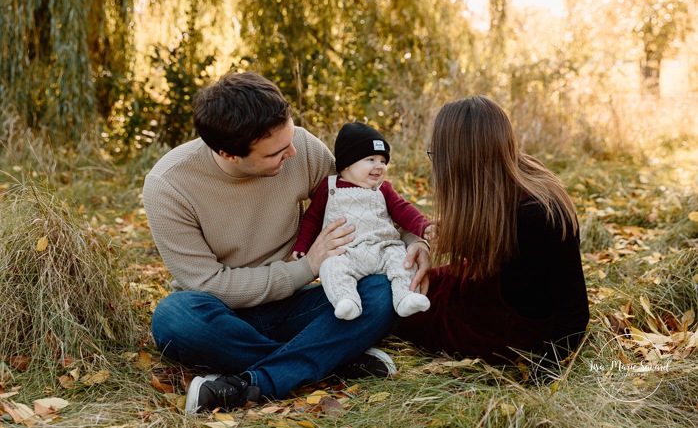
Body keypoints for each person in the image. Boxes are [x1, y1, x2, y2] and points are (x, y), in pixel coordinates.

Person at [141, 71, 431, 414]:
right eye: (276, 152)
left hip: (299, 307)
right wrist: (306, 267)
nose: (293, 152)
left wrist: (416, 242)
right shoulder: (169, 185)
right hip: (223, 315)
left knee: (381, 290)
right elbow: (207, 283)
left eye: (291, 138)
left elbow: (368, 203)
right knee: (174, 319)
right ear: (229, 154)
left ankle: (255, 381)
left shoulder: (302, 148)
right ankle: (332, 356)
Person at [396, 96, 589, 366]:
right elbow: (507, 249)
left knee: (392, 307)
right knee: (397, 280)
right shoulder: (504, 182)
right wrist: (438, 239)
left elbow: (575, 314)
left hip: (501, 327)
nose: (435, 163)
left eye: (437, 154)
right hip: (480, 290)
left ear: (461, 162)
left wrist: (542, 379)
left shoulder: (540, 214)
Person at [291, 122, 431, 321]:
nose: (379, 166)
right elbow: (312, 219)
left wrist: (424, 228)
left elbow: (403, 210)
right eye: (370, 159)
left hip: (383, 248)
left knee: (403, 262)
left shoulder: (384, 189)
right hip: (346, 253)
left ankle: (405, 297)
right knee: (331, 267)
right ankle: (346, 301)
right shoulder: (328, 187)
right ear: (347, 164)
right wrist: (302, 246)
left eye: (383, 161)